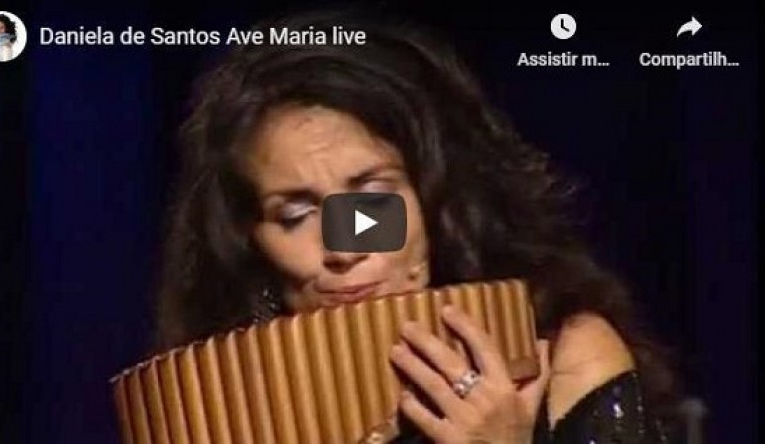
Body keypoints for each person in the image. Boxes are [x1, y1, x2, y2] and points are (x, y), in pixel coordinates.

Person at [154, 8, 678, 443]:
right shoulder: (220, 405)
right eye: (296, 214)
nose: (344, 247)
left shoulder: (566, 356)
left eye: (374, 197)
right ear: (248, 241)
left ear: (438, 201)